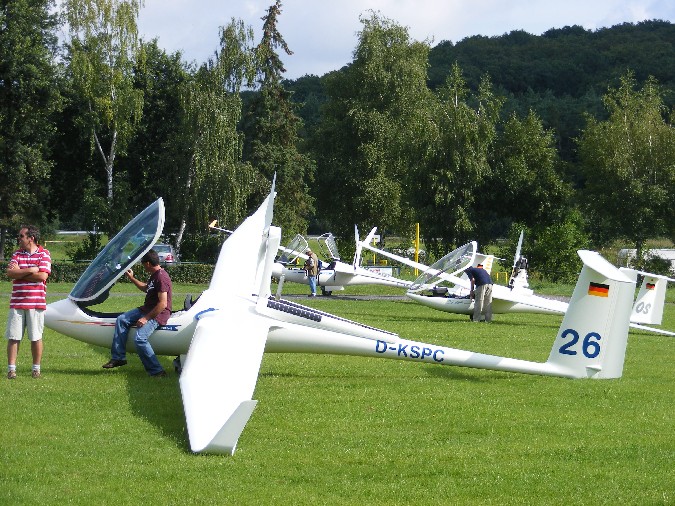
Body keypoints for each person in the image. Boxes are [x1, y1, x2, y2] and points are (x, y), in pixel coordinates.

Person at [102, 249, 172, 377]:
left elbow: (163, 304)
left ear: (148, 264)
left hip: (159, 313)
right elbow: (146, 288)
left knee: (140, 339)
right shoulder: (155, 275)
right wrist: (132, 278)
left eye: (143, 264)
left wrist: (145, 318)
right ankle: (119, 358)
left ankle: (157, 371)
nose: (143, 266)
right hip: (147, 308)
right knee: (122, 319)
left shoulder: (162, 277)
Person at [5, 225, 51, 379]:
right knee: (13, 337)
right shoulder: (17, 254)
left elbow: (42, 277)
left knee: (36, 337)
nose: (19, 239)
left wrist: (20, 273)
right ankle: (11, 369)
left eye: (21, 236)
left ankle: (36, 369)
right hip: (17, 303)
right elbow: (10, 272)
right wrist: (31, 270)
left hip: (36, 303)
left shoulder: (44, 254)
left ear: (31, 238)